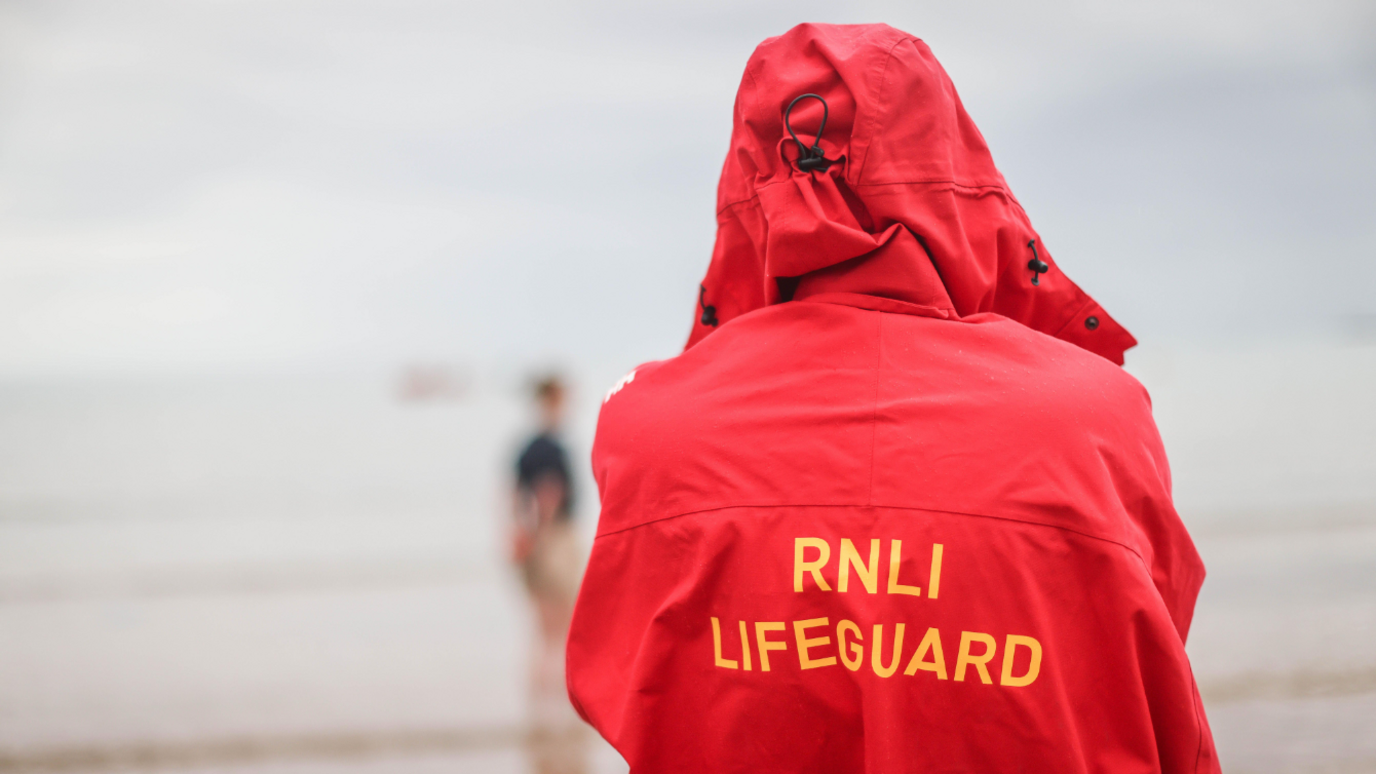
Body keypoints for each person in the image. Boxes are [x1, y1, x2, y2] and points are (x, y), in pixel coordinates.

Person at [567, 23, 1219, 773]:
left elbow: (630, 694)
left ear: (746, 184)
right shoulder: (1100, 421)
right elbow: (1160, 699)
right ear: (956, 170)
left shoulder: (645, 429)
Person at [510, 375, 586, 772]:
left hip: (530, 540)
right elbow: (549, 496)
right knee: (560, 633)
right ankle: (555, 717)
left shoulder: (523, 448)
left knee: (541, 634)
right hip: (553, 542)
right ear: (551, 401)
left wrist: (520, 537)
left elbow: (511, 496)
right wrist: (539, 539)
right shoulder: (552, 448)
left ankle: (538, 716)